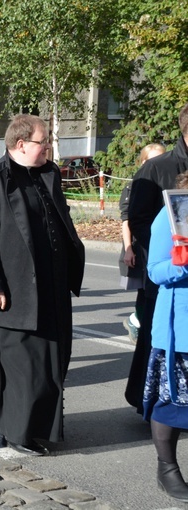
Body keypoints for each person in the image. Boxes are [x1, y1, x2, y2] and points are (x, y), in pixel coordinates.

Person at [0, 114, 85, 456]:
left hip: (51, 290)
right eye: (42, 141)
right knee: (23, 369)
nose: (47, 146)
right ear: (21, 145)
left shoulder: (48, 174)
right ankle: (18, 432)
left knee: (52, 363)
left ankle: (39, 425)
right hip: (12, 293)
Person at [126, 103, 188, 414]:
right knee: (155, 342)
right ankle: (149, 402)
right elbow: (137, 218)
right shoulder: (157, 168)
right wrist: (171, 251)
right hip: (167, 273)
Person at [142, 171, 188, 503]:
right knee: (173, 404)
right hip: (181, 329)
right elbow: (156, 269)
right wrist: (184, 263)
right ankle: (167, 469)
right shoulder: (172, 213)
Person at [120, 143, 166, 343]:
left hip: (157, 241)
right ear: (144, 161)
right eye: (152, 159)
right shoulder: (135, 185)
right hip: (141, 244)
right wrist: (129, 248)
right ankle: (136, 321)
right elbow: (127, 219)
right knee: (144, 289)